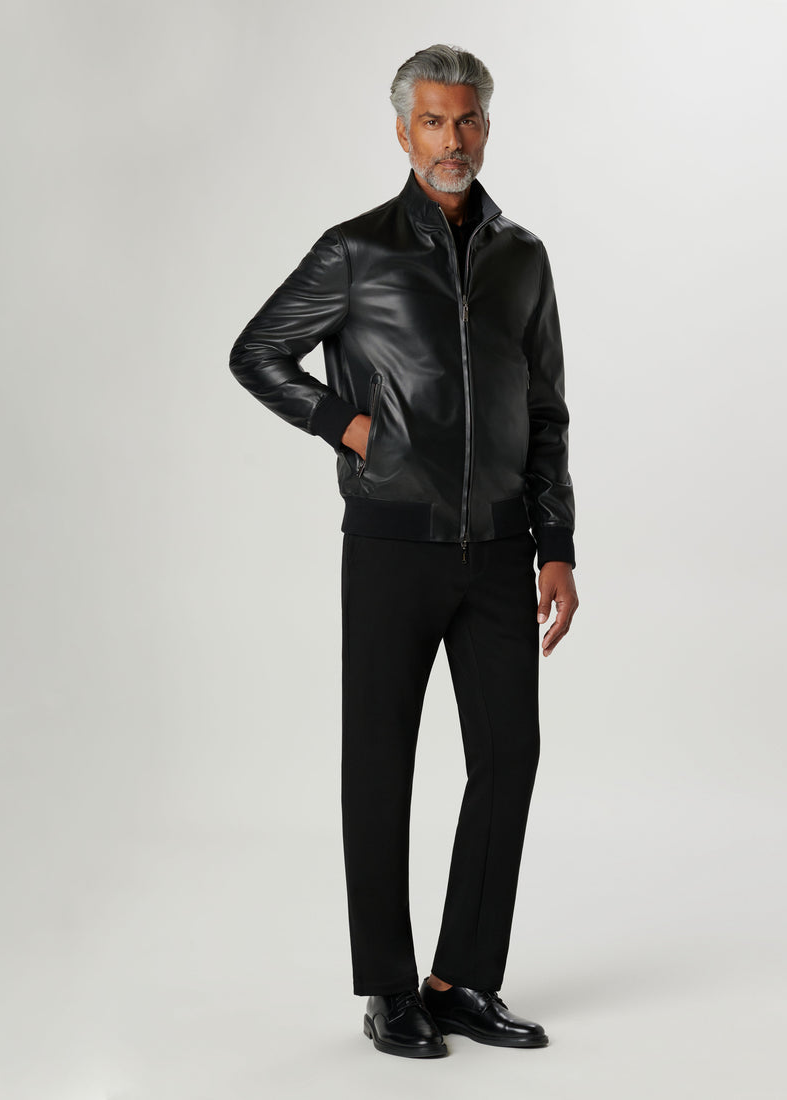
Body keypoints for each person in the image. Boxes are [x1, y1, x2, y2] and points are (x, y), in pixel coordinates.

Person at [230, 43, 578, 1058]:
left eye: (465, 120)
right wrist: (350, 428)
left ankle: (461, 977)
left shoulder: (523, 258)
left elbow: (546, 412)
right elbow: (257, 351)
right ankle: (387, 987)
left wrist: (555, 544)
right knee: (379, 765)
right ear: (402, 132)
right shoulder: (356, 251)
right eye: (432, 121)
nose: (450, 139)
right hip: (391, 546)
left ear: (486, 127)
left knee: (508, 756)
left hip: (501, 547)